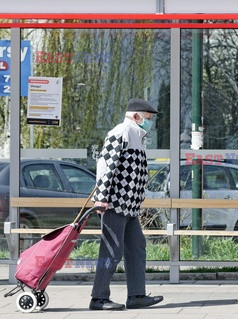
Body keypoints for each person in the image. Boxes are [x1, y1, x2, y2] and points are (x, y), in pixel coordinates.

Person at [89, 98, 164, 310]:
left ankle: (137, 295)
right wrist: (102, 198)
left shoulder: (137, 137)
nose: (150, 122)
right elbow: (105, 166)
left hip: (130, 206)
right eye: (148, 118)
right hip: (115, 204)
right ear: (136, 116)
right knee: (111, 250)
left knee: (137, 247)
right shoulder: (121, 132)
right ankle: (98, 298)